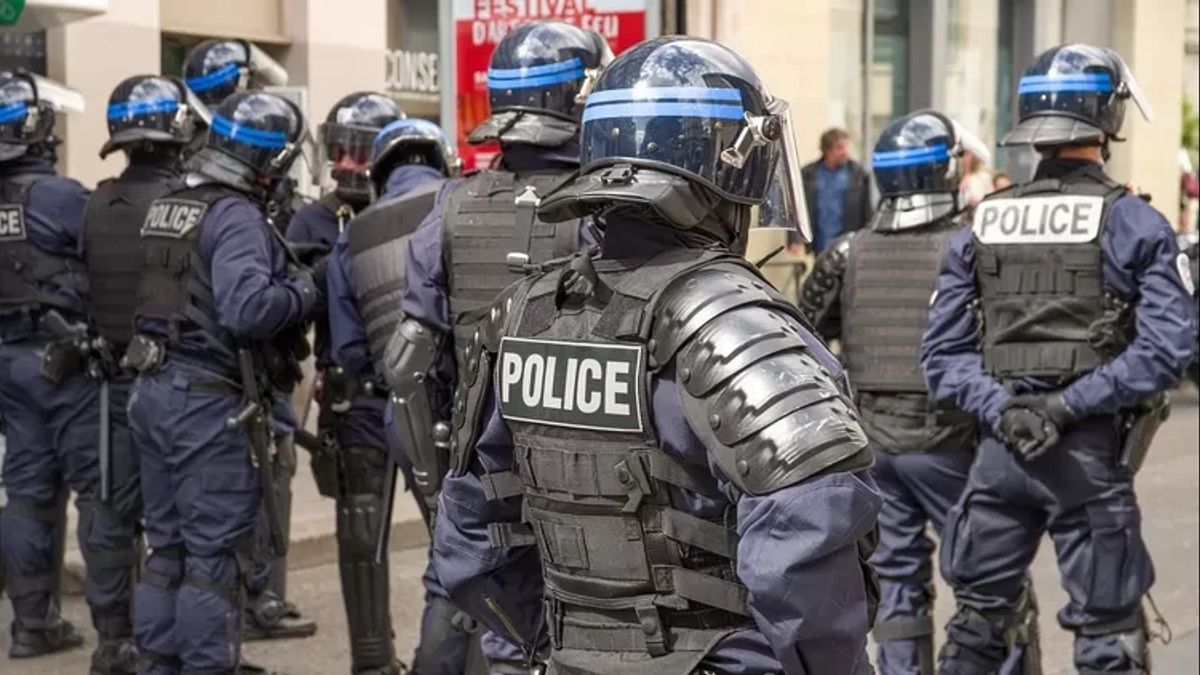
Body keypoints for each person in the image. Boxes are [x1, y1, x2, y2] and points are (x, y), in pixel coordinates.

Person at [418, 35, 882, 674]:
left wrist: (566, 647)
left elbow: (470, 541)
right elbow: (808, 542)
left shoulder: (523, 315)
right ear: (727, 166)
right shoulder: (733, 319)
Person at [921, 44, 1199, 675]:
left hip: (1000, 456)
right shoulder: (1134, 222)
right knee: (1108, 638)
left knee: (976, 629)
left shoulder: (982, 222)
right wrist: (1065, 405)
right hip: (1089, 460)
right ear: (1107, 119)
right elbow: (1166, 350)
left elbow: (941, 357)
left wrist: (1009, 410)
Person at [381, 21, 614, 675]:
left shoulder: (451, 206)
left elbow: (406, 370)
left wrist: (438, 486)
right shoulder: (607, 210)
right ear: (579, 98)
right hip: (583, 471)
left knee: (460, 605)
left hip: (475, 464)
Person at [800, 110, 1042, 675]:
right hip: (953, 444)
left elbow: (804, 336)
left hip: (874, 448)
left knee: (898, 585)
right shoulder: (972, 249)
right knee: (993, 583)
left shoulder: (847, 252)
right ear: (944, 172)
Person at [126, 90, 317, 675]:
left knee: (167, 548)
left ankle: (156, 665)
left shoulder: (171, 202)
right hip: (204, 404)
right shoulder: (232, 213)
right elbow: (247, 309)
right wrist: (306, 291)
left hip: (153, 390)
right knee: (211, 557)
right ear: (271, 161)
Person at [74, 73, 210, 675]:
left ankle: (112, 639)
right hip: (178, 388)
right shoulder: (192, 206)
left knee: (109, 513)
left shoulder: (95, 203)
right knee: (183, 524)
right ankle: (178, 646)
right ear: (178, 131)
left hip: (108, 386)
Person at [325, 116, 465, 675]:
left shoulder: (351, 235)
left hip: (405, 416)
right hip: (482, 406)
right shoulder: (463, 201)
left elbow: (348, 351)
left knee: (448, 548)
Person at [0, 70, 97, 660]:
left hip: (8, 364)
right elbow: (111, 252)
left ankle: (30, 625)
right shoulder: (58, 196)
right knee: (101, 492)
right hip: (62, 364)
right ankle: (121, 635)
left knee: (27, 492)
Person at [796, 127, 873, 254]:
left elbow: (868, 210)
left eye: (846, 147)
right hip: (820, 243)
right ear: (826, 149)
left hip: (849, 243)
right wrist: (795, 239)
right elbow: (797, 207)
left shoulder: (858, 174)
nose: (845, 152)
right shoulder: (808, 174)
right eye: (840, 147)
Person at [958, 149, 994, 214]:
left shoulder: (984, 177)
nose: (964, 159)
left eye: (967, 155)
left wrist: (977, 202)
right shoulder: (956, 178)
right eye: (963, 155)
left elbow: (991, 198)